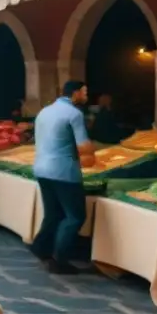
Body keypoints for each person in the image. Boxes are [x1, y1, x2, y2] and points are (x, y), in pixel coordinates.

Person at [30, 81, 95, 274]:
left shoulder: (45, 111)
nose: (86, 95)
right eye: (84, 92)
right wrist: (92, 156)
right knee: (75, 216)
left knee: (53, 213)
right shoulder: (74, 114)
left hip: (41, 168)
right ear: (75, 94)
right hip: (64, 171)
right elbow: (84, 147)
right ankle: (59, 259)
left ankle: (41, 248)